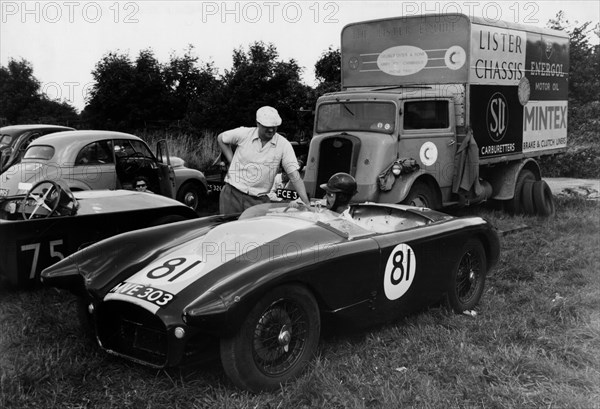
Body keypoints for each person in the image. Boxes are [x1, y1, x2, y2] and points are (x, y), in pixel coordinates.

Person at [217, 106, 310, 214]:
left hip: (258, 201)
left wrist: (306, 202)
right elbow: (221, 138)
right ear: (258, 123)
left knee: (256, 230)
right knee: (228, 229)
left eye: (274, 126)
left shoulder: (284, 145)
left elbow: (294, 176)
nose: (271, 130)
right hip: (231, 195)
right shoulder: (244, 134)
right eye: (267, 126)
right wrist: (231, 160)